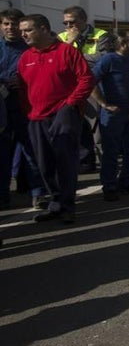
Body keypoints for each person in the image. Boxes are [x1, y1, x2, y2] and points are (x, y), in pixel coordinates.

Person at [16, 14, 95, 223]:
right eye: (22, 30)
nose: (23, 34)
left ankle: (67, 206)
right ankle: (55, 203)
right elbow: (23, 89)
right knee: (44, 165)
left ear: (43, 29)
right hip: (35, 117)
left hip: (63, 114)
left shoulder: (66, 52)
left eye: (28, 30)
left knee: (65, 161)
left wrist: (70, 105)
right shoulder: (26, 58)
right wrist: (28, 112)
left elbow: (86, 79)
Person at [90, 31, 129, 201]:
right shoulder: (108, 60)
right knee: (111, 151)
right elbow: (90, 81)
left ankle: (126, 181)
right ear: (123, 44)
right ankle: (109, 186)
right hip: (112, 115)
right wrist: (103, 104)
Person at [0, 8, 48, 209]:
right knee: (2, 154)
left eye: (14, 24)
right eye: (6, 24)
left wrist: (23, 81)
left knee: (32, 151)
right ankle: (3, 195)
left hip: (25, 108)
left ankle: (38, 194)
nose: (10, 28)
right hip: (1, 108)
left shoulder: (31, 50)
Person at [58, 5, 109, 172]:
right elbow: (58, 61)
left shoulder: (100, 35)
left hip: (94, 87)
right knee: (75, 127)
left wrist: (73, 57)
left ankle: (106, 167)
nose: (68, 27)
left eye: (72, 22)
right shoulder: (62, 38)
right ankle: (84, 162)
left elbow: (102, 58)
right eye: (65, 23)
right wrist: (70, 44)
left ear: (83, 20)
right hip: (70, 89)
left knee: (98, 129)